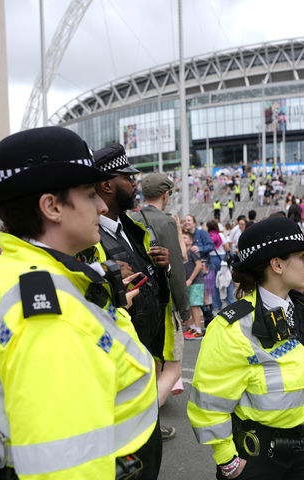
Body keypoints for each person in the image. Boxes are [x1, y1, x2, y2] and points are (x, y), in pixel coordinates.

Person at [0, 127, 159, 479]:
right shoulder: (50, 316)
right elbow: (66, 464)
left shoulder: (2, 273)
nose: (100, 205)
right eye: (88, 194)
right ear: (51, 207)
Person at [187, 216, 304, 479]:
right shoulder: (233, 325)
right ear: (277, 264)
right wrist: (227, 460)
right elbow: (209, 401)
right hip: (255, 458)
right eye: (301, 256)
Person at [90, 144, 176, 444]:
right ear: (107, 185)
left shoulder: (131, 226)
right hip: (119, 341)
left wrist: (161, 267)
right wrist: (104, 273)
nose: (134, 184)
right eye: (127, 178)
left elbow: (144, 278)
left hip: (145, 335)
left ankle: (146, 428)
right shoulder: (88, 235)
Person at [135, 173, 192, 420]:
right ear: (166, 195)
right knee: (173, 366)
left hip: (137, 299)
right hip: (163, 302)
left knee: (153, 364)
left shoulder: (128, 218)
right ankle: (142, 421)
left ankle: (147, 423)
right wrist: (185, 309)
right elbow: (176, 269)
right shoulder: (165, 222)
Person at [182, 230, 205, 338]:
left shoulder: (192, 251)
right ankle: (192, 327)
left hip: (196, 282)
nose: (182, 239)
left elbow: (199, 265)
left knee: (195, 306)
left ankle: (198, 329)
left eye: (185, 238)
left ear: (191, 241)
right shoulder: (183, 252)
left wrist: (190, 279)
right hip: (189, 283)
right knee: (191, 305)